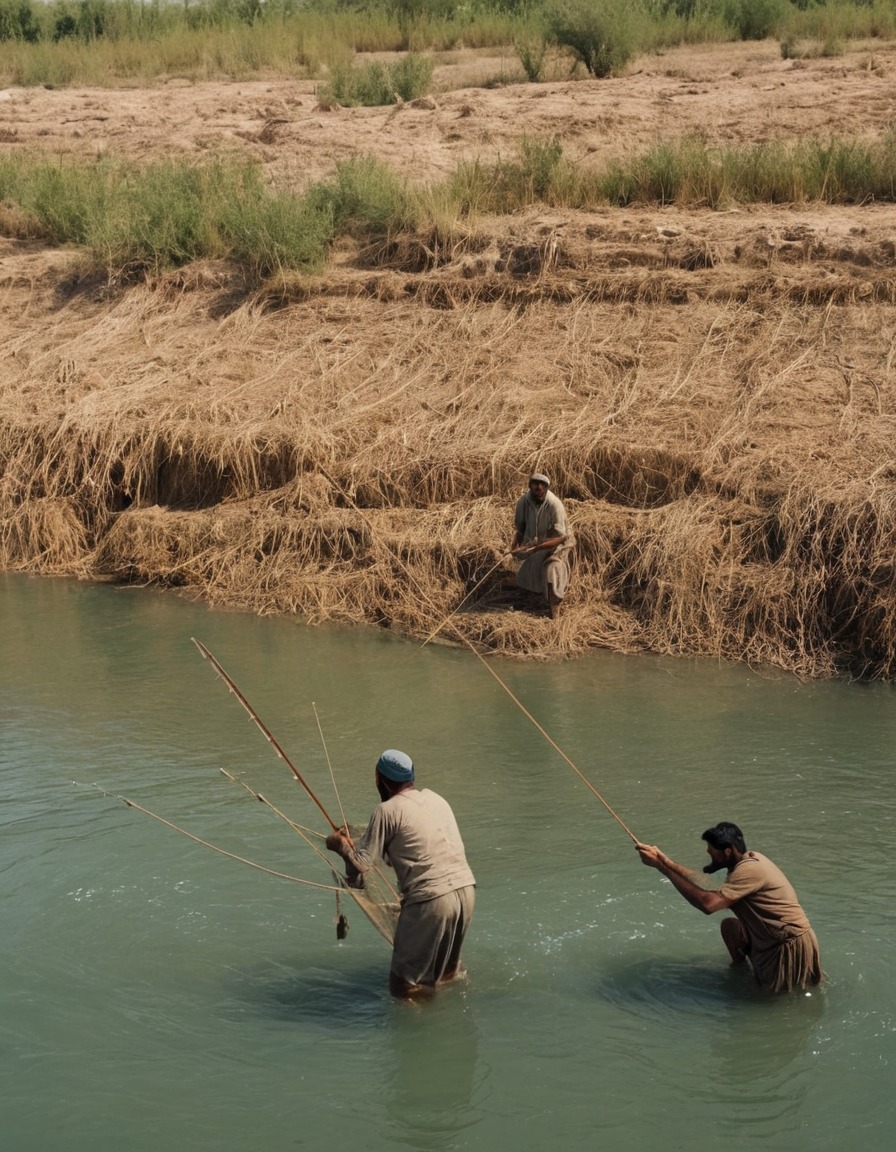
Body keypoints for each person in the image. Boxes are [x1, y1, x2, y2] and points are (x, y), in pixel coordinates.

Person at [326, 749, 475, 999]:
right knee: (447, 973)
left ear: (380, 780)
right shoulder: (436, 799)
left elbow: (362, 863)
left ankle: (425, 1032)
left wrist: (339, 845)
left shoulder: (386, 810)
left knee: (403, 986)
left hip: (432, 899)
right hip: (466, 891)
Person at [636, 821, 822, 993]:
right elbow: (706, 886)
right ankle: (741, 969)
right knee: (730, 927)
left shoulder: (750, 870)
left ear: (727, 851)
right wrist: (663, 860)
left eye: (712, 852)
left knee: (773, 1000)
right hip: (767, 937)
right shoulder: (745, 861)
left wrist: (661, 868)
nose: (710, 856)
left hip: (787, 944)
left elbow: (708, 904)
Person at [511, 472, 574, 619]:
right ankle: (532, 597)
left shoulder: (554, 504)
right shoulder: (523, 503)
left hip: (557, 545)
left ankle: (554, 608)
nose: (538, 487)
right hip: (533, 544)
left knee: (553, 570)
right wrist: (515, 546)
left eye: (542, 485)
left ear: (547, 487)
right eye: (535, 484)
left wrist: (539, 547)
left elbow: (561, 536)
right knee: (526, 572)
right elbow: (520, 529)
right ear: (530, 486)